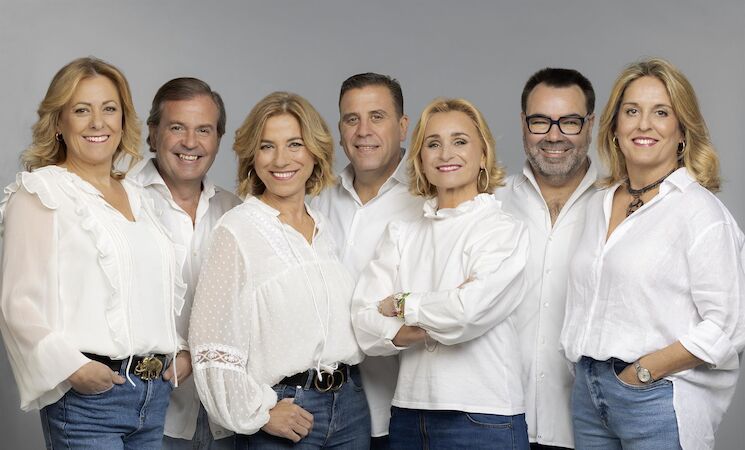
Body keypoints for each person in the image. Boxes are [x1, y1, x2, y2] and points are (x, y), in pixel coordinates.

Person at [0, 57, 187, 449]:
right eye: (82, 110)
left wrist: (180, 348)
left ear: (123, 119)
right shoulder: (41, 192)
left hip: (154, 398)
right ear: (58, 122)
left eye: (109, 109)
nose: (98, 123)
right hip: (90, 401)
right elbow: (18, 304)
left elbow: (157, 290)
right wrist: (73, 369)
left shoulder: (143, 197)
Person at [560, 58, 745, 450]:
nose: (643, 124)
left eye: (661, 112)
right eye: (631, 111)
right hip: (588, 397)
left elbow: (728, 326)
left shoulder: (699, 212)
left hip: (654, 398)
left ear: (682, 131)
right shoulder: (597, 203)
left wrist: (643, 372)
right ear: (615, 128)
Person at [189, 91, 370, 449]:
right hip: (286, 409)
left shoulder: (324, 227)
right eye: (267, 146)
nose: (281, 159)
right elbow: (210, 343)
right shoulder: (237, 229)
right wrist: (258, 413)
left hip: (350, 406)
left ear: (314, 151)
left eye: (295, 144)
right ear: (252, 156)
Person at [352, 98, 530, 450]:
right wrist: (438, 317)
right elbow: (362, 323)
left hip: (483, 416)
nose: (446, 153)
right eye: (433, 144)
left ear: (483, 154)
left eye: (460, 141)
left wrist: (401, 303)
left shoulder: (503, 230)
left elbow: (466, 313)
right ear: (420, 159)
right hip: (408, 415)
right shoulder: (402, 232)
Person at [311, 72, 424, 448]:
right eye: (351, 119)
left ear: (403, 126)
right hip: (324, 413)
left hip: (402, 412)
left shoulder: (428, 198)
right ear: (340, 129)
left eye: (377, 117)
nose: (363, 131)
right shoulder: (317, 198)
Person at [128, 77, 240, 449]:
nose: (190, 142)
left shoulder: (235, 210)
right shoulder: (122, 201)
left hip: (225, 413)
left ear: (218, 139)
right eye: (177, 127)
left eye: (203, 130)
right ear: (153, 132)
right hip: (146, 411)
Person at [493, 67, 598, 449]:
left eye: (569, 122)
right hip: (497, 419)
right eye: (540, 121)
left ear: (590, 124)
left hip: (586, 427)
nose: (554, 136)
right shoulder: (489, 200)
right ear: (523, 123)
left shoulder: (617, 204)